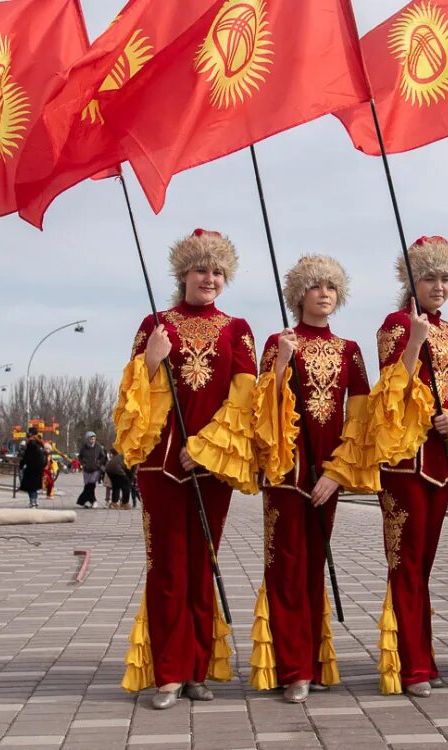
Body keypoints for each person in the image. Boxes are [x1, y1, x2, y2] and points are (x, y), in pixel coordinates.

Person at [114, 229, 258, 709]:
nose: (209, 278)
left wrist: (207, 447)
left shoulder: (238, 329)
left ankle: (198, 667)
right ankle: (169, 673)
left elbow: (245, 398)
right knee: (167, 567)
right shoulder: (155, 324)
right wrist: (151, 363)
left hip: (211, 466)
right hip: (160, 466)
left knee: (203, 564)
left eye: (217, 271)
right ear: (184, 275)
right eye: (201, 270)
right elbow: (132, 402)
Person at [248, 255, 378, 704]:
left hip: (327, 473)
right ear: (298, 294)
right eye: (315, 286)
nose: (324, 293)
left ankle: (314, 659)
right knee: (284, 566)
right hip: (285, 473)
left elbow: (360, 417)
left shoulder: (350, 350)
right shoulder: (276, 341)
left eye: (331, 287)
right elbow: (262, 411)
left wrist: (339, 473)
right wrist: (282, 364)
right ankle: (294, 668)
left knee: (312, 567)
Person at [367, 236, 448, 697]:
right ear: (411, 280)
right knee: (406, 564)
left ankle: (422, 656)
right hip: (403, 463)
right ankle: (411, 664)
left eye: (445, 279)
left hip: (440, 462)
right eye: (429, 277)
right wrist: (415, 343)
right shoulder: (396, 324)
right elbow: (391, 387)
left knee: (426, 563)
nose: (438, 286)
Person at [76, 431, 106, 508]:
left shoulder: (98, 446)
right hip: (87, 470)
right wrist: (83, 463)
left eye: (93, 439)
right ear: (87, 439)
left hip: (95, 469)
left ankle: (89, 501)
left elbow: (103, 456)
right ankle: (90, 501)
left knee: (91, 485)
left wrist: (99, 463)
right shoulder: (84, 447)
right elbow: (80, 457)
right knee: (87, 486)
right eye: (91, 439)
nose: (92, 440)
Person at [19, 427, 45, 509]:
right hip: (39, 467)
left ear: (30, 434)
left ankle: (32, 502)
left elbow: (27, 456)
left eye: (28, 433)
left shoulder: (31, 443)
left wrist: (21, 465)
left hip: (32, 467)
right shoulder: (39, 443)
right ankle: (35, 501)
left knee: (30, 485)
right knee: (35, 484)